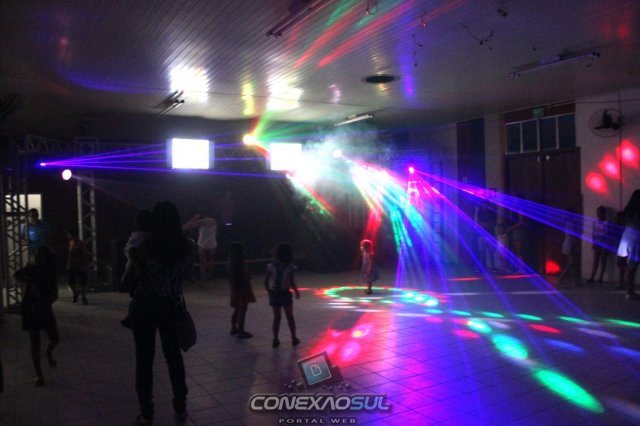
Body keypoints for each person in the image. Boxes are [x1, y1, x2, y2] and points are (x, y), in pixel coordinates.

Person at [128, 201, 195, 425]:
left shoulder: (145, 246)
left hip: (144, 306)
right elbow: (185, 274)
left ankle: (147, 413)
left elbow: (136, 278)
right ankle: (180, 408)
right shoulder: (188, 246)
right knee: (174, 359)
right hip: (170, 306)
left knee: (144, 362)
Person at [14, 246, 59, 387]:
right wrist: (29, 280)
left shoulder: (50, 272)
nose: (38, 258)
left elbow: (54, 293)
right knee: (35, 342)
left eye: (41, 256)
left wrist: (45, 302)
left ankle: (48, 353)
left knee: (55, 338)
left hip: (44, 308)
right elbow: (17, 275)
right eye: (37, 255)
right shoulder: (31, 269)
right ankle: (39, 374)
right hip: (31, 308)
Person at [264, 243, 300, 348]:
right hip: (285, 293)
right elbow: (291, 281)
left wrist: (269, 292)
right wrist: (296, 291)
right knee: (290, 317)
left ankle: (275, 339)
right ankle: (294, 338)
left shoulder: (271, 266)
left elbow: (266, 282)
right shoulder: (290, 267)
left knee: (277, 317)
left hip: (274, 293)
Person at [228, 242, 256, 339]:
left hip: (235, 288)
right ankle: (241, 331)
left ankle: (233, 328)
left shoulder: (231, 263)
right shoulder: (242, 263)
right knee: (242, 311)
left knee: (236, 309)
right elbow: (246, 276)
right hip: (243, 288)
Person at [617, 190, 640, 299]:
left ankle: (628, 290)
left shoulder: (629, 210)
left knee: (629, 264)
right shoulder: (638, 211)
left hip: (627, 234)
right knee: (632, 265)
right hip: (636, 235)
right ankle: (629, 292)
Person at [183, 212, 217, 280]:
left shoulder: (201, 221)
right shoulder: (214, 221)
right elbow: (216, 233)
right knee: (211, 261)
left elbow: (186, 226)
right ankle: (210, 276)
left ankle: (203, 277)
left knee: (202, 262)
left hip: (203, 244)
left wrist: (194, 218)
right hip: (212, 243)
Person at [558, 208, 582, 288]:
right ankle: (562, 277)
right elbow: (572, 236)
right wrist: (577, 245)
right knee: (572, 263)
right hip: (570, 244)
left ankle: (574, 281)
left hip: (568, 243)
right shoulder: (571, 224)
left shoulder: (568, 223)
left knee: (573, 263)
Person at [66, 228, 91, 304]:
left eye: (69, 234)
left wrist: (83, 262)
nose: (68, 236)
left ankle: (83, 296)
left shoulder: (80, 243)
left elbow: (85, 254)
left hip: (80, 265)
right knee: (71, 282)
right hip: (71, 265)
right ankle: (76, 293)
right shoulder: (71, 242)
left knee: (82, 282)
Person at [587, 206, 609, 283]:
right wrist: (593, 242)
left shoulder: (606, 222)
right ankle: (592, 277)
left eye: (599, 212)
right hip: (597, 242)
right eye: (597, 212)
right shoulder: (595, 221)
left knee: (603, 260)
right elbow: (594, 233)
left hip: (604, 242)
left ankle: (600, 277)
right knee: (596, 260)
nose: (598, 214)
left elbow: (608, 234)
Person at [474, 201, 497, 272]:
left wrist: (486, 225)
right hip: (481, 234)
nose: (484, 206)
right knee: (482, 251)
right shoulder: (480, 212)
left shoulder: (492, 212)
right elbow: (477, 222)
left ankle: (492, 267)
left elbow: (494, 222)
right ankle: (482, 267)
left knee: (490, 251)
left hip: (490, 233)